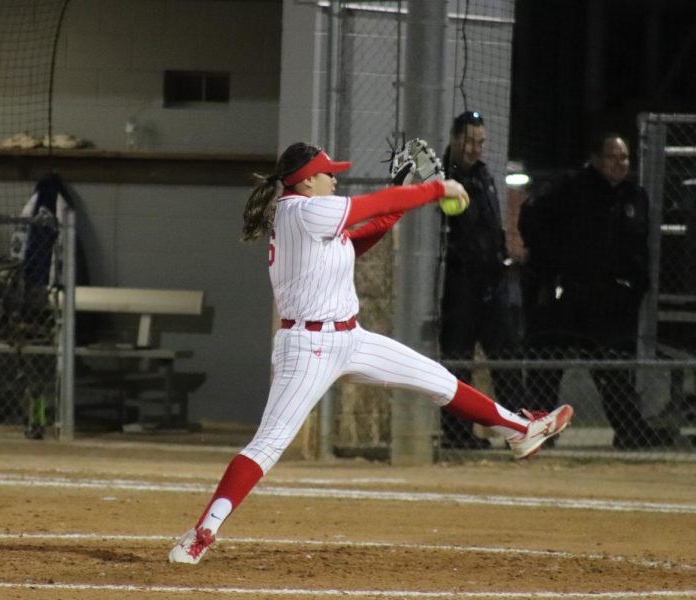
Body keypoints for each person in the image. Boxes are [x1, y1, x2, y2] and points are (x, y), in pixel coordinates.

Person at [168, 142, 574, 565]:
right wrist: (436, 190)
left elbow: (357, 242)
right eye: (328, 173)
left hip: (351, 338)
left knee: (436, 378)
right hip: (310, 348)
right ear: (306, 179)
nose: (335, 177)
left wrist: (398, 199)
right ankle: (200, 533)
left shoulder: (313, 215)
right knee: (268, 446)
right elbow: (374, 203)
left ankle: (517, 430)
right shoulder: (303, 210)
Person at [519, 132, 682, 450]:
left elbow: (640, 248)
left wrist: (636, 286)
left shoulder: (634, 196)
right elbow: (532, 214)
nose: (620, 164)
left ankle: (629, 431)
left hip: (613, 301)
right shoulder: (571, 187)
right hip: (570, 294)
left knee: (616, 369)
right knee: (549, 366)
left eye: (624, 158)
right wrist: (549, 264)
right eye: (613, 157)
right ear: (596, 159)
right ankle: (541, 430)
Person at [437, 111, 525, 449]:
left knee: (505, 357)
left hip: (492, 281)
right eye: (470, 141)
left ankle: (517, 430)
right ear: (456, 138)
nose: (476, 149)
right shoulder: (446, 175)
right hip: (460, 284)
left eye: (480, 142)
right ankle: (458, 434)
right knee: (458, 360)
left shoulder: (484, 175)